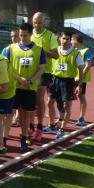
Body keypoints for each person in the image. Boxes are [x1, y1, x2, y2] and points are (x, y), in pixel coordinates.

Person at [4, 23, 46, 151]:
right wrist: (19, 79)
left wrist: (30, 80)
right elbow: (7, 67)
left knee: (25, 115)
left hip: (29, 88)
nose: (21, 37)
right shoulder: (11, 49)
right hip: (14, 87)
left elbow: (42, 69)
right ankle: (4, 139)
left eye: (25, 35)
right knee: (9, 114)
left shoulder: (39, 50)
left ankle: (24, 138)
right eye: (20, 35)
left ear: (30, 34)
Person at [46, 31, 84, 139]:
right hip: (55, 79)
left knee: (67, 105)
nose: (65, 41)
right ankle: (52, 125)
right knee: (49, 102)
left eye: (68, 39)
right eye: (63, 38)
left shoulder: (75, 53)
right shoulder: (55, 50)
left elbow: (81, 69)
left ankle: (61, 129)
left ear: (70, 40)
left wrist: (79, 85)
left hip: (68, 81)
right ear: (59, 39)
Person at [31, 12, 59, 140]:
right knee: (30, 99)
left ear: (44, 22)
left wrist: (41, 50)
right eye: (35, 22)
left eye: (39, 22)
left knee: (39, 98)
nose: (37, 25)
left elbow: (56, 55)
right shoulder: (29, 34)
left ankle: (40, 127)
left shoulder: (50, 35)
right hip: (29, 71)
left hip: (45, 71)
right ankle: (31, 126)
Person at [2, 28, 20, 150]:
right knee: (8, 113)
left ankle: (26, 132)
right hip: (10, 85)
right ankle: (4, 138)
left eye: (16, 36)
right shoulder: (6, 50)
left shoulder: (27, 49)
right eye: (12, 36)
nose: (14, 38)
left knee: (22, 110)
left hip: (23, 84)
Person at [72, 34, 93, 126]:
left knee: (81, 96)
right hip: (72, 77)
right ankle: (62, 116)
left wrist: (80, 76)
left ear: (76, 40)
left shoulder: (86, 51)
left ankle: (81, 118)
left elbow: (88, 65)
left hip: (81, 79)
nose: (71, 42)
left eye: (72, 40)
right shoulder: (74, 51)